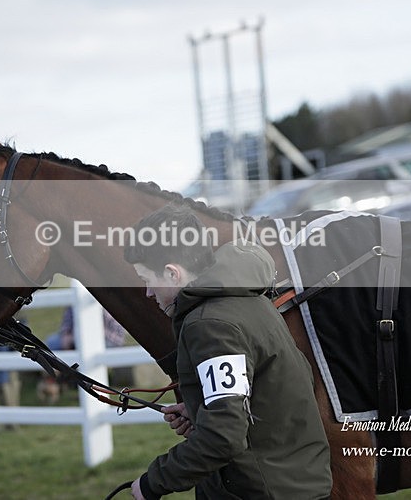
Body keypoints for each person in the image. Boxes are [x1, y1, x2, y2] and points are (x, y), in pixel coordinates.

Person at [123, 204, 332, 499]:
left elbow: (223, 437)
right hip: (290, 481)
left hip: (261, 490)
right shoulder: (247, 299)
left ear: (171, 273)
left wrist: (151, 483)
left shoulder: (209, 325)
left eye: (147, 279)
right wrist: (201, 408)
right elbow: (270, 392)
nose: (147, 292)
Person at [37, 306, 126, 404]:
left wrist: (81, 336)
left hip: (104, 338)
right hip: (76, 337)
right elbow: (67, 322)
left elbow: (113, 332)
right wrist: (67, 336)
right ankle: (54, 380)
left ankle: (61, 383)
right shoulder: (73, 305)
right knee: (52, 343)